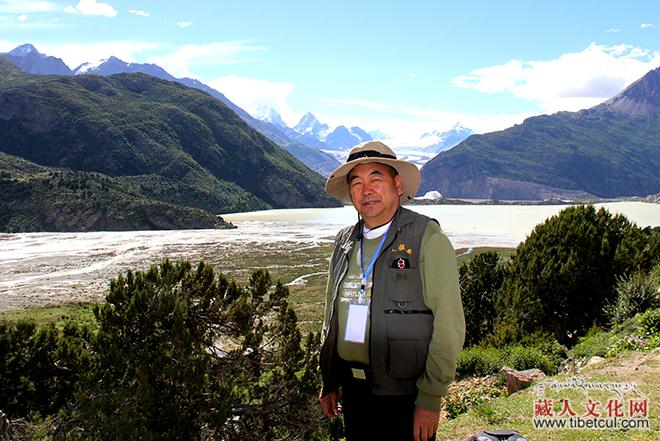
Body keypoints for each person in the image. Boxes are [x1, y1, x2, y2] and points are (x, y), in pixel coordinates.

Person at [318, 140, 465, 441]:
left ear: (397, 185)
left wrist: (430, 397)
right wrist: (329, 378)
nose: (366, 190)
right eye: (356, 183)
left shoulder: (426, 237)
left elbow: (449, 324)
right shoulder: (344, 242)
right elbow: (331, 314)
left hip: (406, 397)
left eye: (376, 179)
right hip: (353, 394)